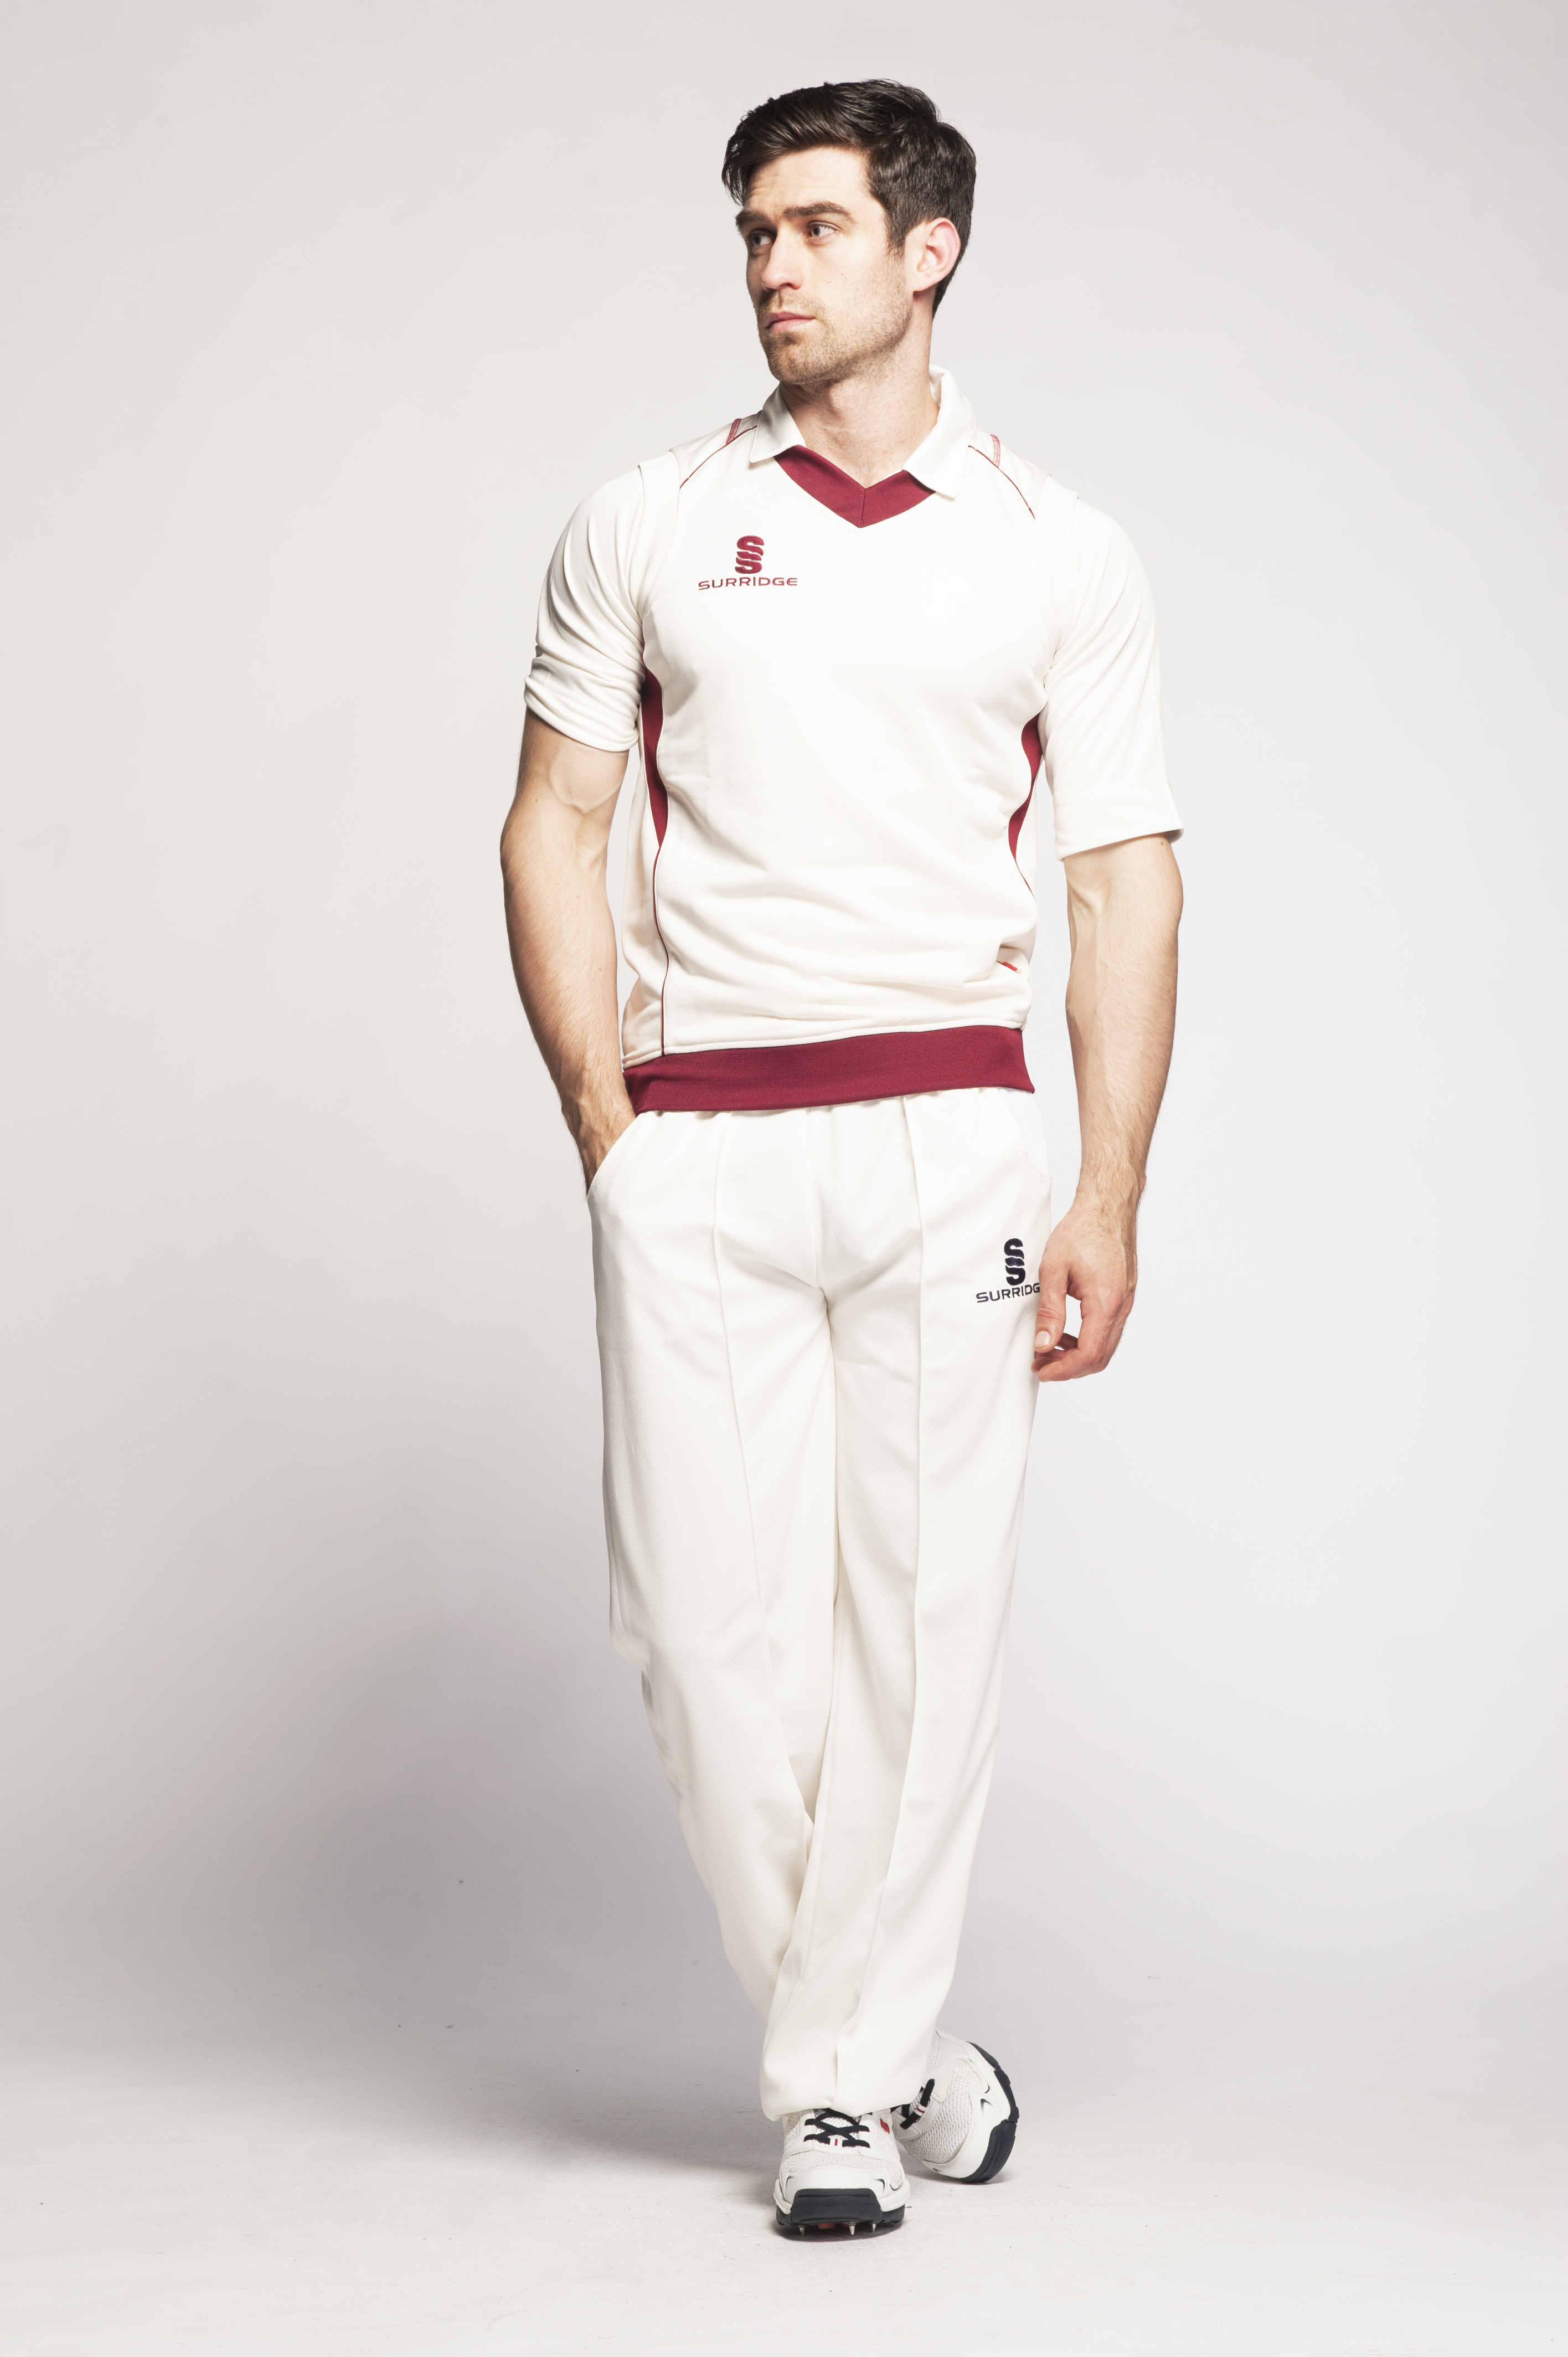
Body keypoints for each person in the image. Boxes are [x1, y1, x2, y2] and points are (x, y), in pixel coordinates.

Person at [501, 78, 1183, 2238]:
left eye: (811, 226)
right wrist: (606, 1125)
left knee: (920, 1627)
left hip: (947, 1138)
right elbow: (554, 822)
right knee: (702, 1638)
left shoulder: (1057, 547)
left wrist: (1108, 1188)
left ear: (927, 248)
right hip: (700, 1136)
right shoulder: (647, 518)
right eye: (753, 231)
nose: (772, 267)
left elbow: (1124, 881)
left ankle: (830, 2100)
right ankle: (902, 2056)